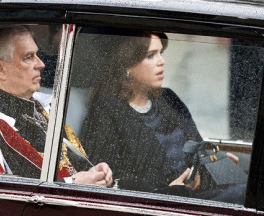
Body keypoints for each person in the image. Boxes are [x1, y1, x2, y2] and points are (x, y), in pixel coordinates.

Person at [80, 29, 246, 203]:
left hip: (193, 195)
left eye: (161, 53)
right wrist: (168, 191)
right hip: (156, 203)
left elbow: (196, 147)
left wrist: (210, 164)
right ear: (127, 64)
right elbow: (108, 177)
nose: (162, 61)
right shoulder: (106, 111)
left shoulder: (168, 98)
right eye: (151, 55)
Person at [0, 25, 113, 187]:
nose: (41, 64)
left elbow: (68, 164)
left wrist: (93, 174)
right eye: (28, 57)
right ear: (0, 69)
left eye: (37, 55)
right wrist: (72, 183)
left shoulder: (37, 107)